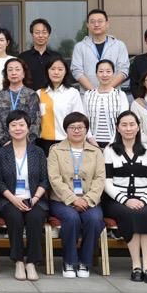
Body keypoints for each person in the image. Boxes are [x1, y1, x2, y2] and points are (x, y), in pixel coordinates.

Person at [103, 111, 147, 284]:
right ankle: (136, 265)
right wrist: (125, 200)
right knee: (130, 213)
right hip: (117, 200)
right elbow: (107, 182)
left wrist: (143, 199)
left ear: (138, 127)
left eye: (132, 124)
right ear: (118, 128)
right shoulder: (109, 150)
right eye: (124, 125)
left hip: (144, 198)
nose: (128, 128)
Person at [47, 112, 106, 278]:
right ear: (66, 130)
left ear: (86, 130)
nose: (77, 130)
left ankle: (85, 262)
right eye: (72, 127)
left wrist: (87, 199)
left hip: (89, 200)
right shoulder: (56, 150)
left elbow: (100, 179)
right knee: (71, 218)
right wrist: (73, 199)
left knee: (94, 219)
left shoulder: (96, 152)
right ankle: (69, 261)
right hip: (61, 200)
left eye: (81, 127)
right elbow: (54, 179)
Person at [0, 110, 49, 281]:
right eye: (13, 125)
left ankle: (31, 262)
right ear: (8, 129)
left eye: (21, 125)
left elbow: (45, 179)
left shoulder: (38, 152)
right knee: (15, 217)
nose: (17, 128)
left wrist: (35, 198)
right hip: (8, 199)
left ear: (28, 128)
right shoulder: (1, 153)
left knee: (35, 217)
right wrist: (13, 199)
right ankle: (18, 261)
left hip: (34, 199)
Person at [37, 56, 87, 155]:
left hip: (66, 142)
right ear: (47, 71)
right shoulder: (39, 93)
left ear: (65, 72)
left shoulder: (72, 93)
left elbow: (79, 119)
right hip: (42, 143)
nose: (56, 72)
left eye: (60, 69)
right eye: (53, 69)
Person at [71, 9, 130, 91]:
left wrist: (107, 90)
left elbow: (123, 70)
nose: (96, 24)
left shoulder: (119, 45)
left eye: (100, 21)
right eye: (92, 22)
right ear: (87, 25)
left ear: (107, 24)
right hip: (88, 95)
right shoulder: (80, 47)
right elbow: (77, 71)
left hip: (113, 94)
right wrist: (94, 92)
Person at [0, 57, 42, 146]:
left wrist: (26, 140)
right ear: (6, 74)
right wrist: (4, 141)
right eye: (10, 70)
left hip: (27, 143)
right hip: (4, 144)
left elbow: (36, 121)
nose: (13, 73)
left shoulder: (31, 95)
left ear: (23, 73)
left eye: (17, 69)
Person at [82, 60, 129, 148]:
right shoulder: (88, 94)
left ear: (113, 74)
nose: (104, 75)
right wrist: (91, 139)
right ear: (96, 74)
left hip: (116, 143)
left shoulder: (120, 95)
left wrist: (112, 142)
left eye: (108, 71)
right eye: (101, 71)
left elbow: (123, 120)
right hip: (91, 143)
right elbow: (84, 119)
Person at [18, 19, 63, 91]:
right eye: (37, 32)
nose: (41, 35)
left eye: (44, 32)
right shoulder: (23, 57)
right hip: (29, 96)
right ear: (32, 34)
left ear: (48, 35)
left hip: (52, 95)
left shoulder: (56, 57)